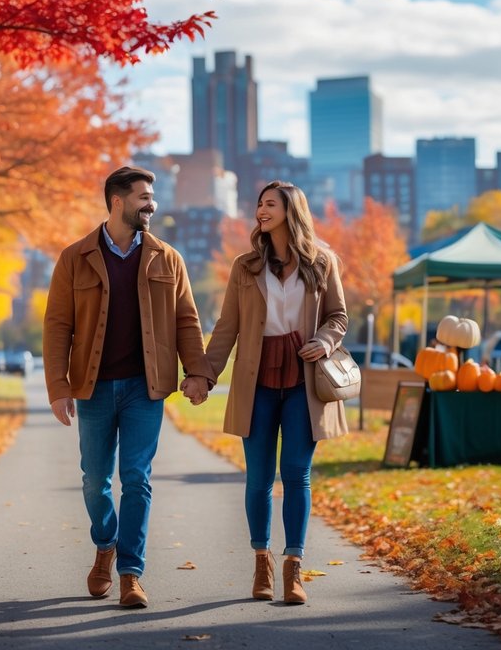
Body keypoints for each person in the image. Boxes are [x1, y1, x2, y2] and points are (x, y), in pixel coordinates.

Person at [43, 166, 213, 609]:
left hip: (145, 387)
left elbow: (187, 321)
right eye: (143, 196)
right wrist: (58, 387)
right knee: (94, 479)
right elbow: (57, 326)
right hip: (93, 387)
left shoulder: (167, 258)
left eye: (152, 196)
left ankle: (130, 574)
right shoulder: (74, 257)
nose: (151, 204)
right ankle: (106, 543)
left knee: (136, 478)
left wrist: (197, 372)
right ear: (117, 201)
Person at [205, 180, 348, 605]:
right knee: (260, 479)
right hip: (258, 381)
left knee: (297, 475)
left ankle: (294, 568)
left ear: (291, 211)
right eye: (259, 203)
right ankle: (261, 562)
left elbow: (338, 316)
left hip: (305, 382)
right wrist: (205, 375)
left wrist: (324, 340)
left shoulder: (322, 262)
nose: (261, 211)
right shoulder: (245, 266)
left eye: (270, 204)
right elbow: (227, 326)